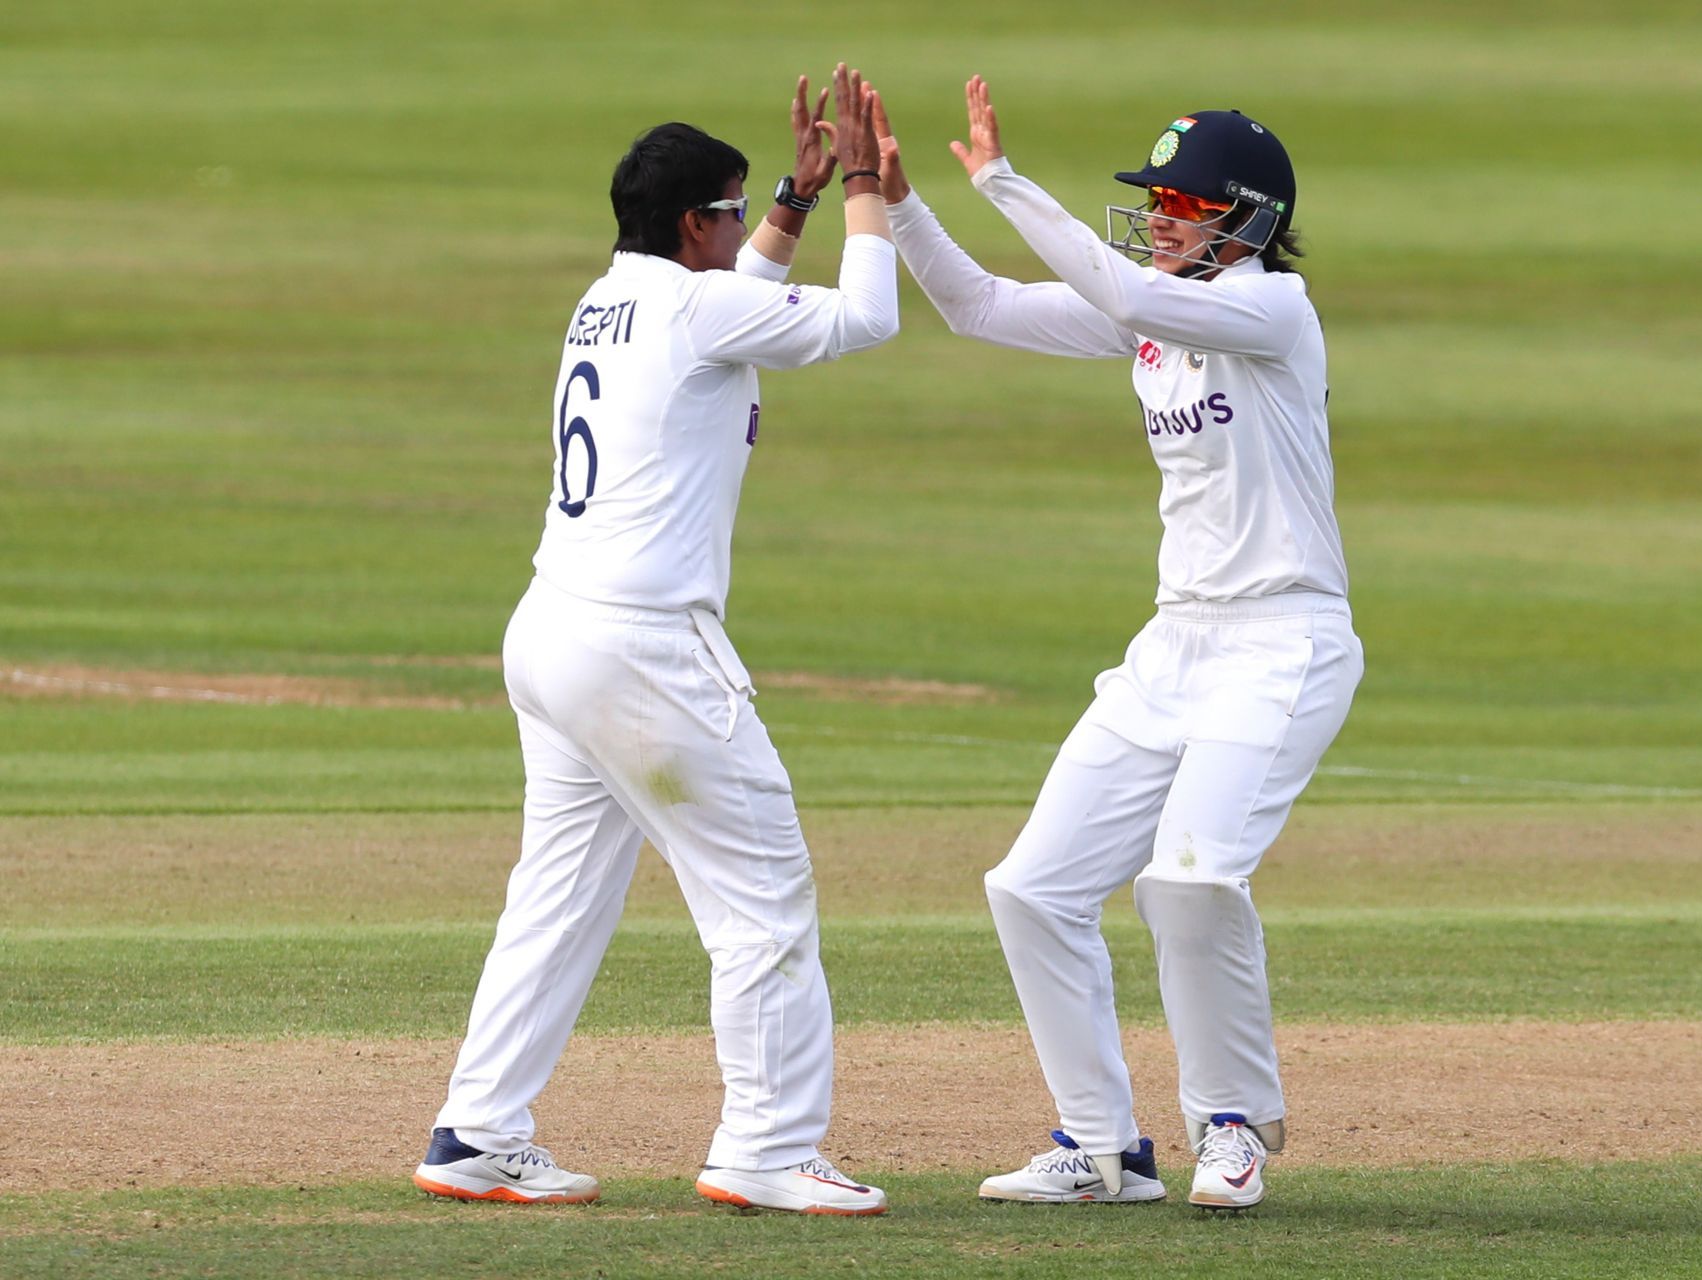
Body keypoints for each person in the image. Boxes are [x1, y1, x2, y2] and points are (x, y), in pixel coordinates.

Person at [411, 66, 898, 1215]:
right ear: (695, 224)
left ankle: (477, 1129)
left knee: (561, 893)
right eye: (735, 209)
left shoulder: (615, 294)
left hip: (553, 633)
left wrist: (792, 201)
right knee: (764, 888)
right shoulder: (697, 305)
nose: (750, 224)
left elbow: (740, 308)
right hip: (639, 648)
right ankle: (769, 1146)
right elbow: (865, 316)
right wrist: (870, 185)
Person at [871, 79, 1362, 1210]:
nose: (1166, 215)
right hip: (1174, 643)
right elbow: (980, 307)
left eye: (1188, 201)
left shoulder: (1270, 309)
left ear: (1245, 218)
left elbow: (1125, 284)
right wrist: (901, 205)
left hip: (1284, 639)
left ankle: (1228, 1123)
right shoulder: (1157, 308)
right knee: (1032, 887)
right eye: (1161, 199)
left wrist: (1000, 179)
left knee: (1187, 881)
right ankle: (1102, 1147)